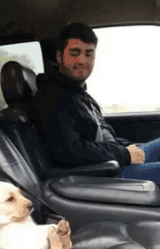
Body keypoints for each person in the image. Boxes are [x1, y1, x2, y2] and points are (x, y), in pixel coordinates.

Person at [33, 22, 160, 184]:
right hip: (103, 173)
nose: (82, 60)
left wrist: (128, 146)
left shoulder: (79, 94)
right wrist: (124, 154)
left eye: (88, 53)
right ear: (59, 56)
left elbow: (102, 135)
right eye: (74, 53)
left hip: (112, 160)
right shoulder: (51, 97)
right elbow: (68, 152)